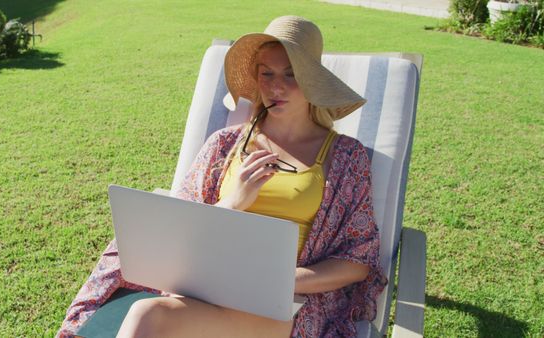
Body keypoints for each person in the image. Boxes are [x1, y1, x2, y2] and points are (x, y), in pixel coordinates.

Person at [57, 15, 386, 338]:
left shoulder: (345, 157)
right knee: (148, 314)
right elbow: (178, 234)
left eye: (291, 74)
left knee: (148, 315)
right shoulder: (223, 146)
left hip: (288, 301)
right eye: (266, 73)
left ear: (312, 82)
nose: (276, 86)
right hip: (207, 289)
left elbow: (357, 260)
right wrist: (232, 201)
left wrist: (278, 281)